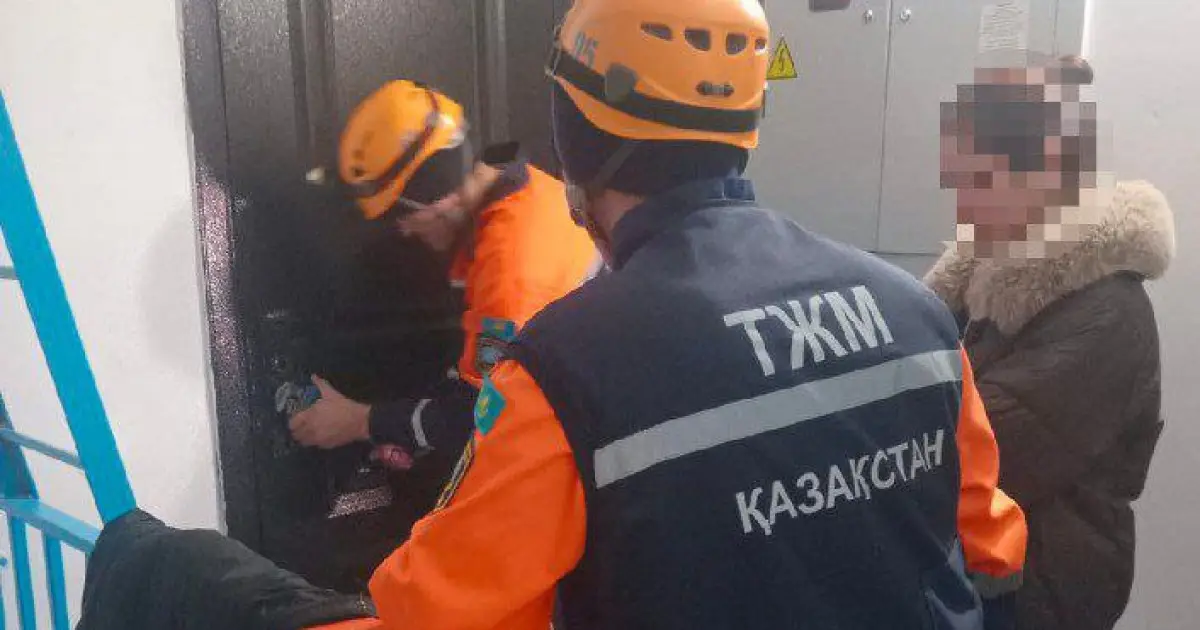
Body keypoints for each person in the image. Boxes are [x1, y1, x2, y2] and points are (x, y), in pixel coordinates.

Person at [77, 2, 1027, 628]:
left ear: (580, 137)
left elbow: (435, 620)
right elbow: (993, 559)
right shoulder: (916, 313)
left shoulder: (570, 365)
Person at [927, 54, 1173, 630]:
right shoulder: (987, 277)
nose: (963, 202)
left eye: (979, 179)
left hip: (1041, 591)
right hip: (987, 572)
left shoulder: (1107, 315)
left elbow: (980, 450)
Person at [287, 79, 600, 471]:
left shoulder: (512, 273)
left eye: (401, 216)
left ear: (438, 197)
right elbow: (478, 373)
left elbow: (482, 420)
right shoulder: (509, 181)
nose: (403, 231)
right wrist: (404, 430)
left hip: (584, 460)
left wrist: (359, 422)